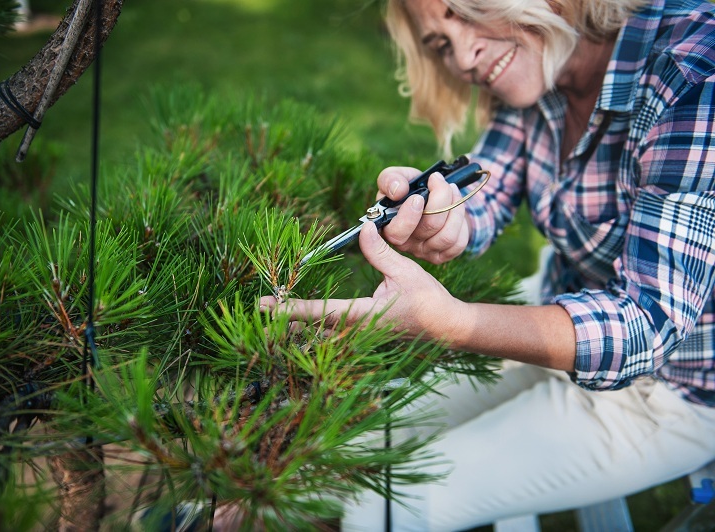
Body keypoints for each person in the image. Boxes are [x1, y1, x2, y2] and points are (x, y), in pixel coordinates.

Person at [259, 0, 715, 529]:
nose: (465, 56)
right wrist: (443, 218)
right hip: (558, 305)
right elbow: (485, 188)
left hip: (674, 388)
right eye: (440, 44)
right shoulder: (540, 62)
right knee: (368, 431)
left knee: (394, 504)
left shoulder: (691, 76)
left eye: (466, 8)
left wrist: (452, 324)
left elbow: (648, 326)